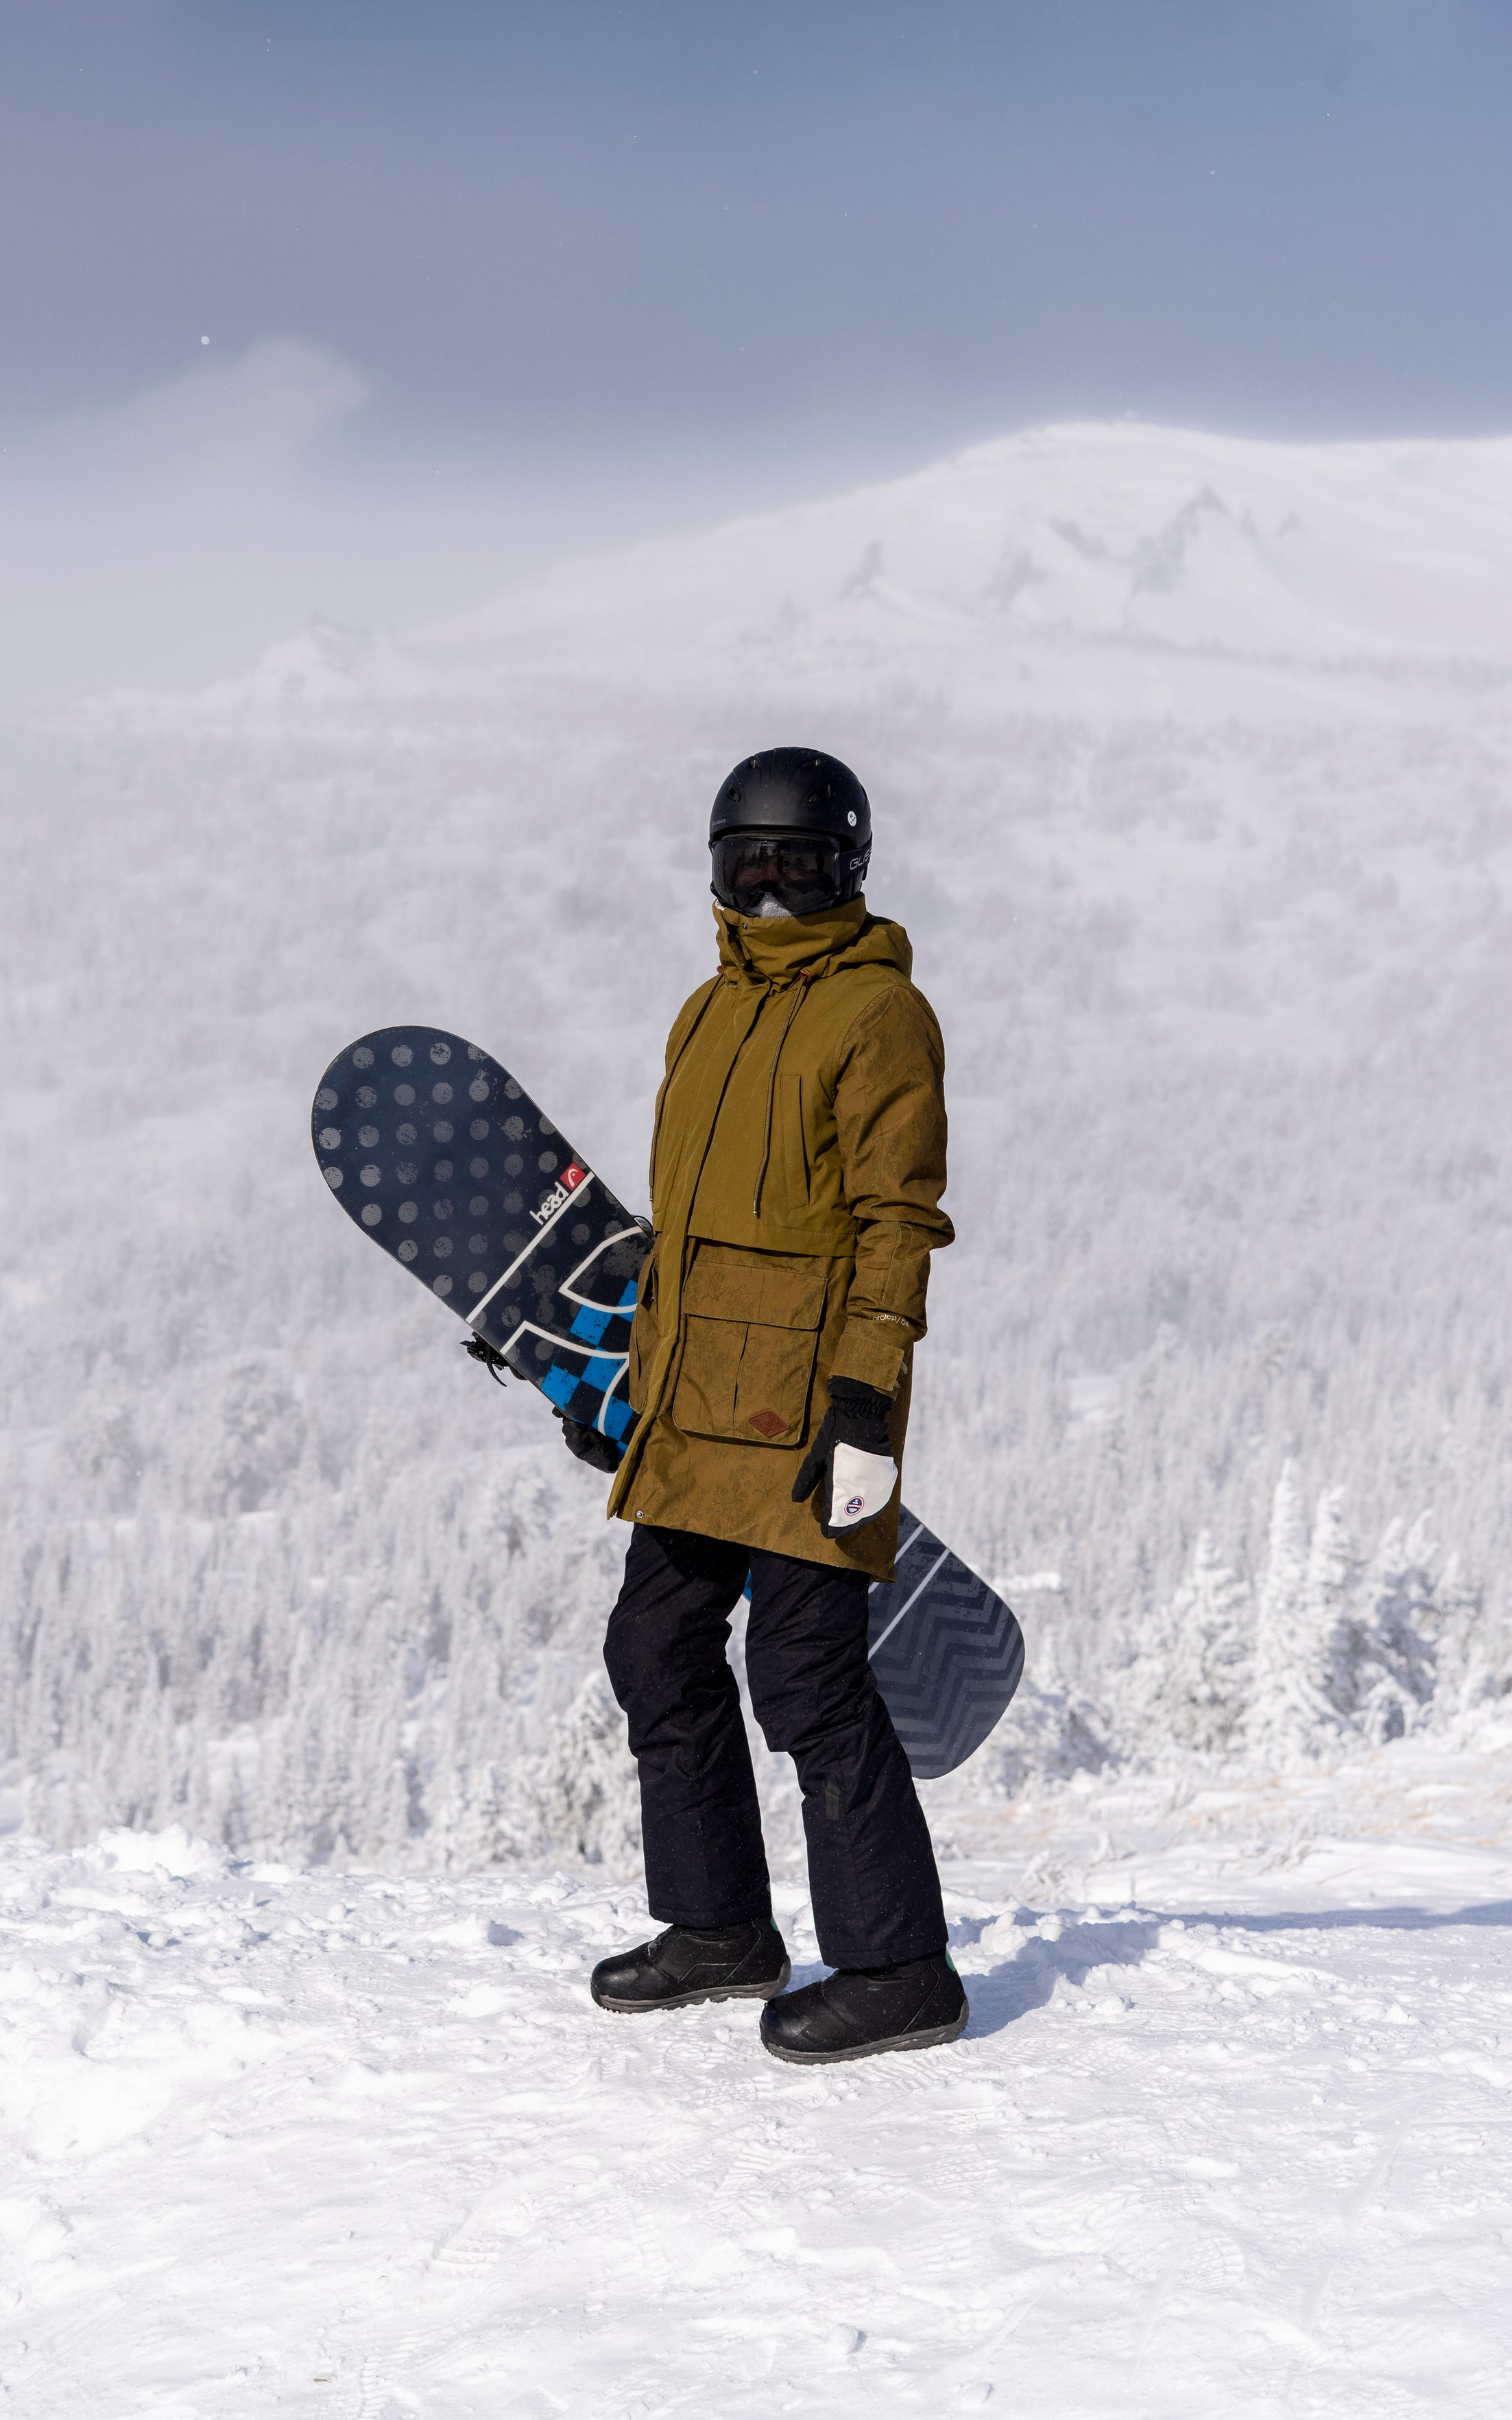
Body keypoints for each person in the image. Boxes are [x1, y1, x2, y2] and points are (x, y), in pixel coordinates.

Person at [560, 746, 965, 2065]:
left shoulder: (879, 1014)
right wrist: (632, 1379)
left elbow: (898, 1223)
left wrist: (866, 1401)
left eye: (800, 864)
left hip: (810, 1408)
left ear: (852, 869)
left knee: (805, 1677)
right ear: (718, 872)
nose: (774, 891)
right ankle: (720, 1926)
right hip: (696, 1402)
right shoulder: (706, 1011)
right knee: (655, 1649)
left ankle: (901, 1969)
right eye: (751, 865)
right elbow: (683, 1235)